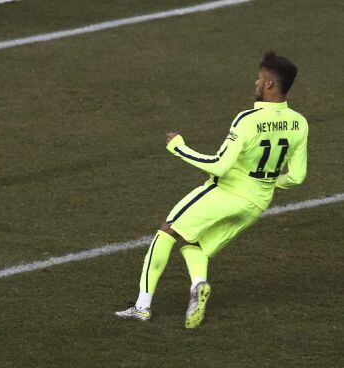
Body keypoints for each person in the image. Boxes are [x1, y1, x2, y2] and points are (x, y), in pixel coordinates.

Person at [114, 51, 308, 328]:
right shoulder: (299, 122)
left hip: (228, 193)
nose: (255, 82)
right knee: (196, 246)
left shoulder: (247, 120)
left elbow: (219, 166)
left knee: (167, 231)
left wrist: (178, 147)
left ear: (269, 85)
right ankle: (199, 284)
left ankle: (141, 307)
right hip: (258, 202)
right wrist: (264, 181)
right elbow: (298, 176)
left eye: (259, 78)